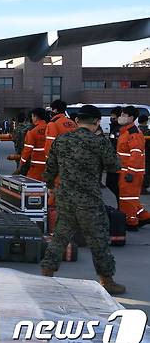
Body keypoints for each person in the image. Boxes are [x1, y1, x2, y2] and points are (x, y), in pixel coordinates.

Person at [40, 105, 125, 295]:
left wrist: (50, 187)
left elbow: (49, 169)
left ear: (77, 121)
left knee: (60, 237)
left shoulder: (61, 140)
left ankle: (46, 273)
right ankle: (107, 280)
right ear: (96, 122)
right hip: (90, 201)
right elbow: (114, 166)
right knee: (99, 239)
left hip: (65, 198)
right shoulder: (99, 143)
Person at [116, 106, 150, 229]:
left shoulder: (134, 134)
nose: (121, 117)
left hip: (131, 172)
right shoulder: (125, 132)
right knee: (129, 198)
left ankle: (131, 223)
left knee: (128, 198)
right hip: (126, 170)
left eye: (124, 115)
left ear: (131, 118)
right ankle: (144, 216)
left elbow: (136, 154)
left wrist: (131, 172)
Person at [15, 108, 48, 180]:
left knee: (33, 185)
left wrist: (21, 165)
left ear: (35, 116)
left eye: (32, 116)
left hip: (37, 164)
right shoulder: (50, 127)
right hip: (50, 163)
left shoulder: (32, 131)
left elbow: (27, 150)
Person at [106, 106, 123, 200]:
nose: (111, 118)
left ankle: (121, 203)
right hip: (113, 160)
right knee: (111, 183)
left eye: (113, 116)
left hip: (117, 161)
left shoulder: (119, 129)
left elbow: (114, 144)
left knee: (113, 183)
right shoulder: (114, 128)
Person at [139, 114, 150, 194]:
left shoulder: (136, 130)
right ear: (146, 121)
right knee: (146, 170)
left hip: (137, 154)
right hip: (147, 154)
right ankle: (144, 187)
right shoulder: (147, 131)